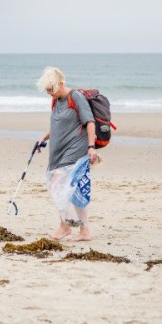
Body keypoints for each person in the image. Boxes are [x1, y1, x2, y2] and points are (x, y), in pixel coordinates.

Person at [36, 66, 99, 242]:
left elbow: (90, 122)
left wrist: (91, 147)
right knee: (74, 190)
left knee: (57, 182)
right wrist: (43, 137)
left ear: (61, 83)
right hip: (58, 150)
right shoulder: (56, 100)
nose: (49, 92)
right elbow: (57, 125)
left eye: (51, 88)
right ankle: (84, 231)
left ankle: (65, 226)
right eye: (47, 89)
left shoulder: (75, 97)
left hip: (75, 149)